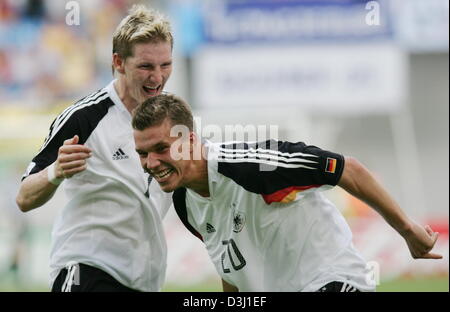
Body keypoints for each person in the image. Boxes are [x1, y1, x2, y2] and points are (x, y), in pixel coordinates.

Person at [131, 94, 443, 292]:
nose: (151, 163)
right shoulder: (185, 202)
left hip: (334, 281)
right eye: (143, 153)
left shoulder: (255, 166)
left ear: (191, 141)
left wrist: (407, 229)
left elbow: (348, 168)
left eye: (161, 148)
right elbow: (232, 268)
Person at [16, 5, 174, 292]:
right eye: (146, 66)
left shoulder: (174, 119)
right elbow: (24, 197)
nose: (157, 78)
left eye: (165, 65)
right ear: (118, 61)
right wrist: (56, 171)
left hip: (144, 279)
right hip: (85, 269)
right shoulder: (84, 117)